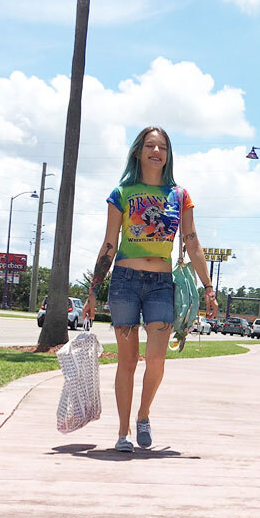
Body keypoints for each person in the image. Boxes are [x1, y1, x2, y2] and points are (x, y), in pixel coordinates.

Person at [83, 126, 218, 452]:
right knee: (127, 361)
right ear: (138, 152)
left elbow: (192, 241)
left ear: (168, 155)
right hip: (125, 283)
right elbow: (109, 243)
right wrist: (93, 290)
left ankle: (144, 415)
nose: (156, 152)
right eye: (150, 146)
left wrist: (209, 288)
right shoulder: (122, 193)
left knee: (156, 358)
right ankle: (123, 431)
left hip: (161, 284)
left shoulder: (180, 196)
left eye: (162, 147)